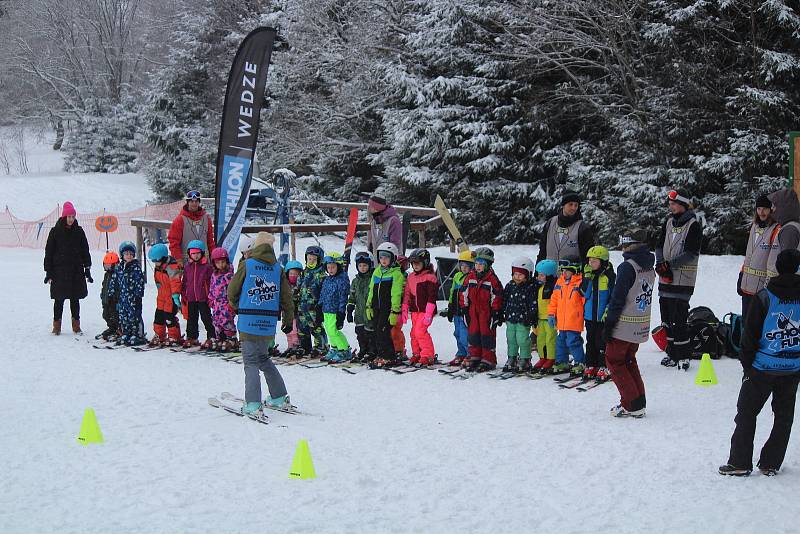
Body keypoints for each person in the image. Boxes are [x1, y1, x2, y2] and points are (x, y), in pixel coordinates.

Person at [719, 249, 800, 476]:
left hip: (763, 367)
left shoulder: (765, 296)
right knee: (784, 418)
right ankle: (771, 463)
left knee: (746, 413)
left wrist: (747, 364)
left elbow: (750, 334)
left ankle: (740, 463)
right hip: (792, 367)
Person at [227, 232, 295, 415]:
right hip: (268, 322)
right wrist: (288, 320)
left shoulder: (247, 264)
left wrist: (237, 307)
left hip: (248, 320)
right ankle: (279, 396)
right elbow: (287, 298)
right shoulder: (278, 269)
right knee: (263, 359)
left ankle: (253, 404)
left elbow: (232, 290)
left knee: (250, 362)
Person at [603, 228, 655, 418]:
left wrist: (609, 324)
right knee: (629, 360)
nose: (623, 248)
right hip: (639, 323)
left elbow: (618, 298)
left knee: (615, 360)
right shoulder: (649, 264)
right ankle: (638, 400)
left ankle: (630, 404)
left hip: (624, 324)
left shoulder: (627, 267)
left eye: (625, 244)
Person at [655, 189, 702, 370]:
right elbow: (659, 245)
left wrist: (670, 264)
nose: (671, 206)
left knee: (679, 319)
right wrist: (660, 263)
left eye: (674, 204)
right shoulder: (668, 222)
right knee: (666, 319)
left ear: (682, 205)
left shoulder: (693, 225)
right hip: (666, 280)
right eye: (670, 204)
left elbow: (691, 253)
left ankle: (684, 355)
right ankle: (672, 353)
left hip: (683, 280)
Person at [44, 201, 92, 334]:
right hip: (59, 271)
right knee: (59, 299)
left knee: (75, 299)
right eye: (69, 216)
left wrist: (87, 268)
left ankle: (76, 326)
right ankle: (56, 327)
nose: (71, 219)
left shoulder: (79, 231)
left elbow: (85, 250)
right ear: (64, 217)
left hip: (76, 271)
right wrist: (48, 272)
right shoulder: (55, 232)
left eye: (73, 216)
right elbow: (49, 252)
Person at [459, 247, 504, 372]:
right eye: (476, 263)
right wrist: (464, 308)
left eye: (481, 264)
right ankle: (475, 356)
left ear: (488, 265)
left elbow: (497, 296)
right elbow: (463, 293)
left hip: (486, 312)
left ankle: (488, 359)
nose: (478, 266)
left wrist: (496, 312)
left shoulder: (492, 279)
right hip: (473, 310)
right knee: (473, 334)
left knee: (486, 335)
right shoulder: (470, 277)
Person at [365, 242, 406, 368]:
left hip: (388, 309)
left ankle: (389, 356)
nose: (383, 260)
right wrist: (368, 306)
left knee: (384, 332)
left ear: (393, 258)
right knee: (377, 332)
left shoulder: (396, 274)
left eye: (386, 257)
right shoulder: (377, 272)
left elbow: (396, 294)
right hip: (376, 308)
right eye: (381, 257)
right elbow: (371, 290)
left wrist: (395, 311)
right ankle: (381, 354)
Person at [739, 195, 780, 320]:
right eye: (759, 208)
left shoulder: (776, 229)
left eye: (765, 209)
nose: (761, 212)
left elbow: (773, 262)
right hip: (746, 286)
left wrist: (768, 287)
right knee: (746, 324)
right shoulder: (754, 227)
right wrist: (741, 275)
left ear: (771, 210)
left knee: (757, 326)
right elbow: (749, 255)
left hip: (761, 288)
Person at [580, 246, 615, 379]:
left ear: (603, 261)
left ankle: (603, 365)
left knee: (601, 342)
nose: (591, 263)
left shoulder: (609, 276)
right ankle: (590, 364)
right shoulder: (590, 276)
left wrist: (608, 311)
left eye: (594, 261)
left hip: (602, 317)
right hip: (589, 316)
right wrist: (587, 278)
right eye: (589, 261)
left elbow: (613, 296)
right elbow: (584, 293)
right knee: (590, 341)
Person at [548, 255, 586, 375]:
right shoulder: (560, 282)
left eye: (566, 271)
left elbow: (585, 300)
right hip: (562, 321)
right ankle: (562, 362)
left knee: (573, 342)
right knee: (561, 342)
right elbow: (554, 300)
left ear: (574, 270)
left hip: (574, 320)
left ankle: (580, 362)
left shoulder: (579, 283)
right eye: (562, 271)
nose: (564, 273)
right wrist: (551, 314)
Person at [536, 190, 595, 266]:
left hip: (573, 276)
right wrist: (537, 272)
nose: (573, 208)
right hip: (549, 275)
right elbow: (542, 252)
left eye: (576, 205)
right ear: (563, 205)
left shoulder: (582, 228)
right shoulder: (550, 223)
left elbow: (587, 257)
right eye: (570, 204)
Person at [403, 248, 439, 366]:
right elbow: (407, 293)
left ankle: (428, 355)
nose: (416, 265)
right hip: (415, 311)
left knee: (420, 332)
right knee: (413, 333)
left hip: (426, 310)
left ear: (425, 262)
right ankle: (417, 353)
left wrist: (429, 313)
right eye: (413, 263)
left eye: (418, 263)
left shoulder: (429, 277)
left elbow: (432, 297)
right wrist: (404, 308)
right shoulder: (411, 277)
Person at [501, 257, 538, 373]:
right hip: (510, 318)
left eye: (520, 275)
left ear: (528, 275)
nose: (517, 277)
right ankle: (512, 357)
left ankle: (525, 359)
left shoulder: (530, 287)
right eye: (515, 274)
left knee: (522, 339)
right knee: (511, 339)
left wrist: (532, 316)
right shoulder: (510, 285)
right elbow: (504, 300)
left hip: (523, 319)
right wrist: (501, 312)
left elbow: (533, 303)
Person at [110, 241, 146, 346]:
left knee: (133, 316)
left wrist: (139, 294)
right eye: (126, 254)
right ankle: (126, 332)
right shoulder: (119, 268)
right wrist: (112, 291)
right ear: (122, 255)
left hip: (133, 297)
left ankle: (136, 334)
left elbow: (139, 281)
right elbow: (114, 280)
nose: (129, 256)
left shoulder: (135, 267)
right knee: (123, 316)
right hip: (123, 297)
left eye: (131, 254)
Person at [147, 243, 183, 347]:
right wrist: (158, 286)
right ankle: (160, 335)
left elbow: (175, 281)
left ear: (162, 258)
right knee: (158, 317)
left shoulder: (171, 267)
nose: (154, 263)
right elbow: (157, 279)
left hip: (170, 298)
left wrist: (175, 295)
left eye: (155, 260)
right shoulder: (158, 267)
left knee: (169, 318)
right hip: (161, 297)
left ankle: (174, 336)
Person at [167, 190, 215, 265]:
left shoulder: (206, 218)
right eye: (191, 201)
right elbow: (174, 242)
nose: (194, 204)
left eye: (196, 201)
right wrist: (178, 259)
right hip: (187, 263)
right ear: (188, 202)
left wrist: (213, 256)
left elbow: (210, 241)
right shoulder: (180, 220)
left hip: (205, 263)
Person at [319, 252, 351, 362]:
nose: (330, 270)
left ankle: (344, 350)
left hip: (335, 310)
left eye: (333, 267)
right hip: (326, 309)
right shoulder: (327, 279)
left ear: (339, 266)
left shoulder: (342, 279)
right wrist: (320, 306)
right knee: (328, 330)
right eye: (328, 267)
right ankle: (335, 348)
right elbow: (323, 293)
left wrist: (341, 312)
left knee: (334, 330)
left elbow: (343, 297)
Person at [182, 239, 214, 349]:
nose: (195, 256)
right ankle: (192, 337)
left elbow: (211, 282)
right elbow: (185, 281)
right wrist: (184, 294)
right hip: (191, 297)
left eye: (198, 253)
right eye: (193, 253)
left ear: (202, 253)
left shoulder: (207, 267)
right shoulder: (187, 267)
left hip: (203, 298)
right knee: (191, 318)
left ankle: (212, 336)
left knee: (206, 317)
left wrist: (211, 296)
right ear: (189, 254)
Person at [297, 245, 328, 356]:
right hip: (302, 306)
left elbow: (324, 293)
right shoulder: (303, 273)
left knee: (316, 327)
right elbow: (298, 287)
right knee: (302, 327)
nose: (311, 261)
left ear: (319, 260)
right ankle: (305, 347)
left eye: (314, 259)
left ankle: (321, 347)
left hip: (314, 307)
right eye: (309, 259)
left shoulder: (322, 275)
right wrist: (295, 300)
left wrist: (321, 306)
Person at [444, 250, 474, 366]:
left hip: (464, 312)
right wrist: (450, 306)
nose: (464, 268)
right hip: (456, 311)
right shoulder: (457, 276)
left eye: (467, 266)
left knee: (464, 334)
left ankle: (469, 354)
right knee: (457, 333)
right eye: (462, 266)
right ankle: (461, 353)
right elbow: (453, 292)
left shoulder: (471, 278)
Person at [347, 252, 376, 362]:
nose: (362, 268)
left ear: (370, 265)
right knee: (360, 332)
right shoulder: (355, 281)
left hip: (369, 312)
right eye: (360, 266)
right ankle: (363, 350)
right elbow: (352, 296)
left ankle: (372, 351)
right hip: (359, 313)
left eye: (365, 265)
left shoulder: (373, 278)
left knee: (370, 332)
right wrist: (349, 309)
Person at [208, 247, 237, 351]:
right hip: (216, 303)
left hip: (226, 302)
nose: (221, 265)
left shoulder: (229, 275)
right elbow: (212, 287)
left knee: (227, 320)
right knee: (216, 321)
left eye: (223, 262)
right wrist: (211, 299)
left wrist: (232, 302)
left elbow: (233, 289)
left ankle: (231, 339)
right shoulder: (214, 275)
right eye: (218, 262)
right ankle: (220, 338)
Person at [533, 259, 558, 373]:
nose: (539, 277)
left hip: (550, 319)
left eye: (542, 275)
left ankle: (551, 358)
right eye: (538, 275)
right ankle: (543, 357)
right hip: (540, 318)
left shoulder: (553, 287)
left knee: (550, 339)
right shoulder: (538, 287)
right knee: (540, 339)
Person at [282, 260, 304, 357]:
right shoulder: (285, 285)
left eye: (296, 274)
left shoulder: (300, 285)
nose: (293, 276)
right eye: (291, 273)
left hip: (296, 312)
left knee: (294, 329)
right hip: (286, 312)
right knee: (287, 330)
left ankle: (296, 345)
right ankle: (290, 345)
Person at [97, 251, 120, 341]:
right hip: (106, 300)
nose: (107, 268)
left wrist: (116, 298)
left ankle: (118, 329)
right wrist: (103, 295)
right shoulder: (106, 275)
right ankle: (112, 328)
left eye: (109, 266)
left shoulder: (117, 274)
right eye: (106, 266)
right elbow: (104, 286)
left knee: (115, 316)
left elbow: (119, 288)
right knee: (106, 315)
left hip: (114, 301)